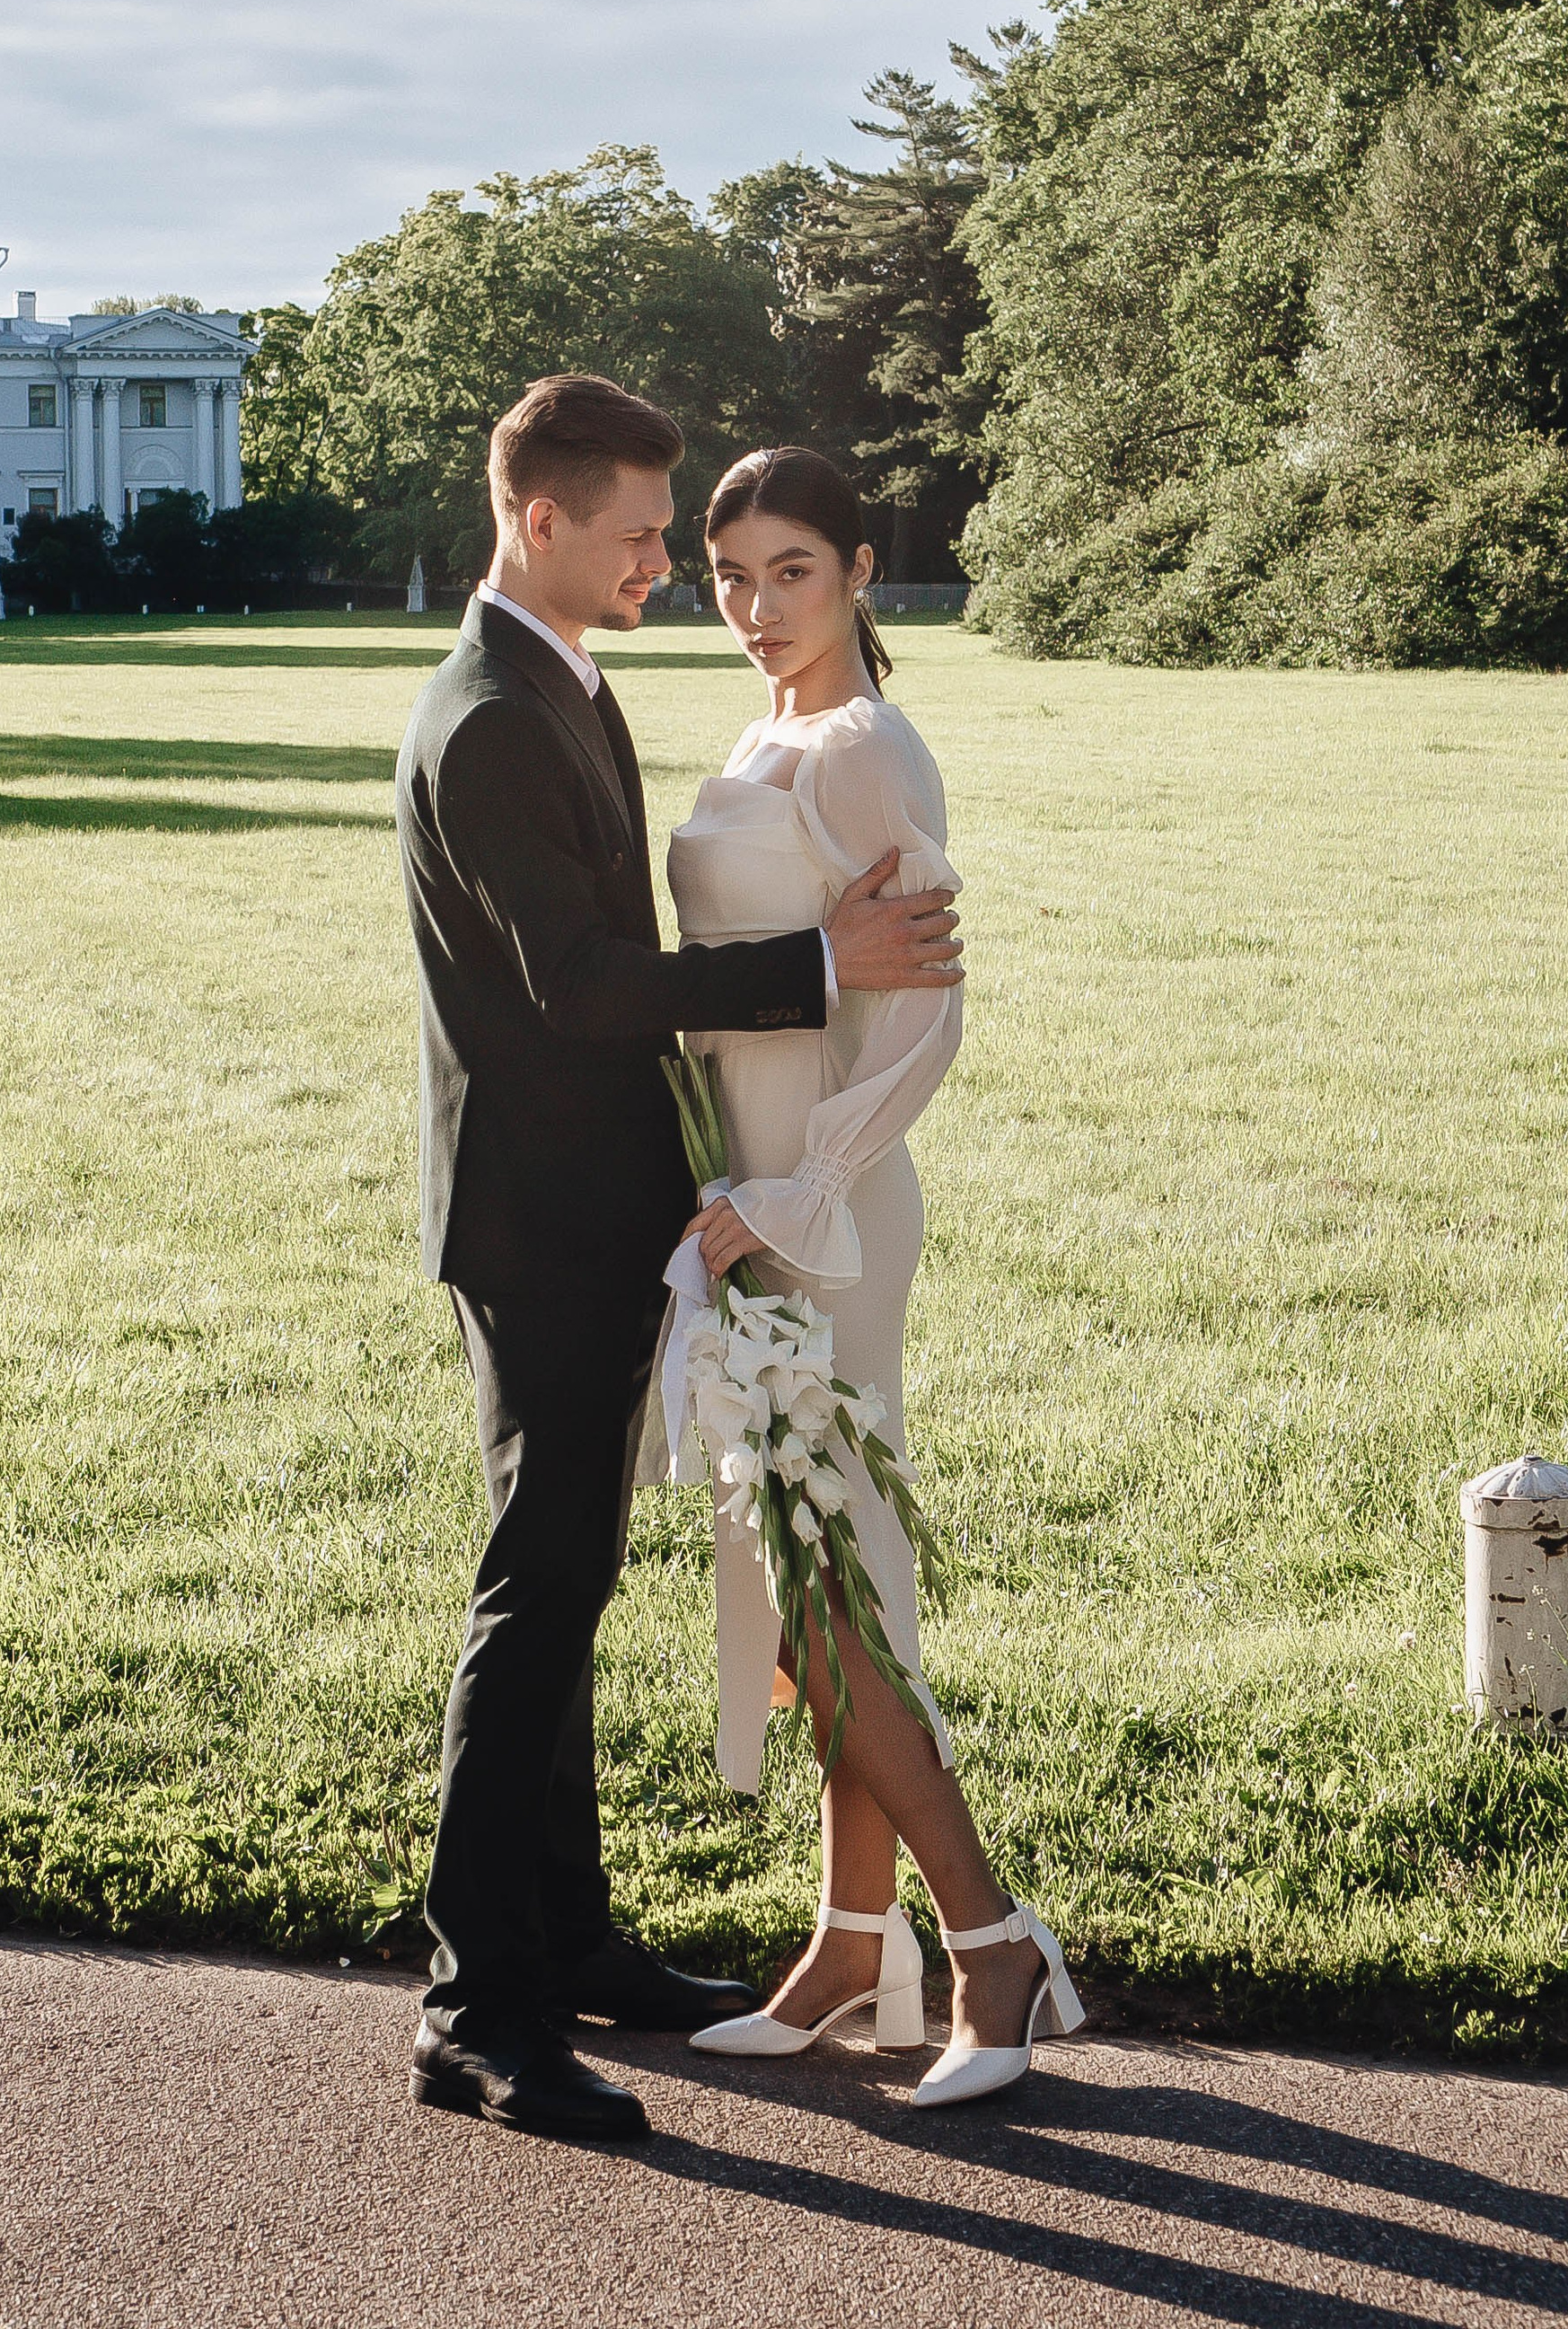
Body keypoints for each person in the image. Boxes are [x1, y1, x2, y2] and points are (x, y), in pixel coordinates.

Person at [393, 376, 965, 2144]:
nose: (680, 569)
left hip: (632, 1211)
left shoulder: (566, 681)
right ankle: (475, 2010)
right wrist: (809, 961)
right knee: (534, 1596)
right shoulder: (489, 714)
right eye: (651, 536)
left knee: (575, 1590)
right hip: (542, 1226)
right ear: (541, 520)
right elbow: (572, 985)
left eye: (707, 547)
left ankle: (569, 1947)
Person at [673, 445, 1083, 2108]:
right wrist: (716, 1195)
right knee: (796, 1561)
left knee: (837, 1570)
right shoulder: (756, 736)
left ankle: (994, 1951)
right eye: (729, 578)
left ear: (858, 570)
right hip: (731, 1209)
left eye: (791, 572)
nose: (758, 609)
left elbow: (924, 1027)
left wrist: (796, 1193)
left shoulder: (863, 751)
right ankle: (857, 1942)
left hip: (822, 1211)